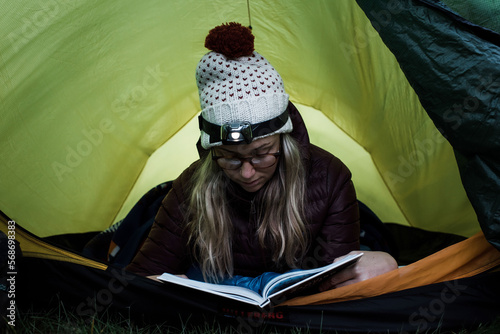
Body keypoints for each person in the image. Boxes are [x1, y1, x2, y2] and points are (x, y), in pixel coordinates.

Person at [126, 22, 397, 289]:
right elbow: (138, 279)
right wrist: (159, 286)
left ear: (284, 139)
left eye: (262, 154)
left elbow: (335, 283)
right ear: (211, 152)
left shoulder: (329, 178)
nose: (247, 172)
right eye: (230, 157)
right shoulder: (191, 186)